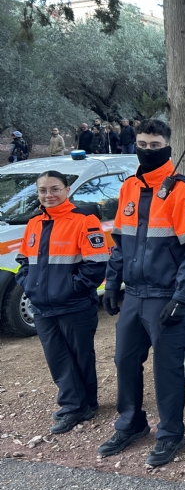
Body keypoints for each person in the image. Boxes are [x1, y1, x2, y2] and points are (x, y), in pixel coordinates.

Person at [98, 119, 185, 467]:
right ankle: (131, 423)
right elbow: (119, 242)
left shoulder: (184, 190)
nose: (148, 150)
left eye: (155, 145)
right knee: (125, 361)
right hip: (134, 294)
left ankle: (170, 434)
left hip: (166, 296)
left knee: (167, 368)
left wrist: (182, 297)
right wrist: (111, 283)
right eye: (142, 144)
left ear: (168, 146)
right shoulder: (129, 187)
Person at [15, 170, 108, 434]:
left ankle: (85, 404)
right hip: (43, 307)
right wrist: (28, 284)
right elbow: (23, 260)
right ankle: (75, 406)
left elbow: (96, 266)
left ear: (67, 189)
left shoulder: (84, 220)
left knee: (80, 357)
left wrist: (69, 289)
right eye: (43, 190)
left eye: (54, 189)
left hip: (74, 304)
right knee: (58, 358)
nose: (49, 195)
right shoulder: (34, 222)